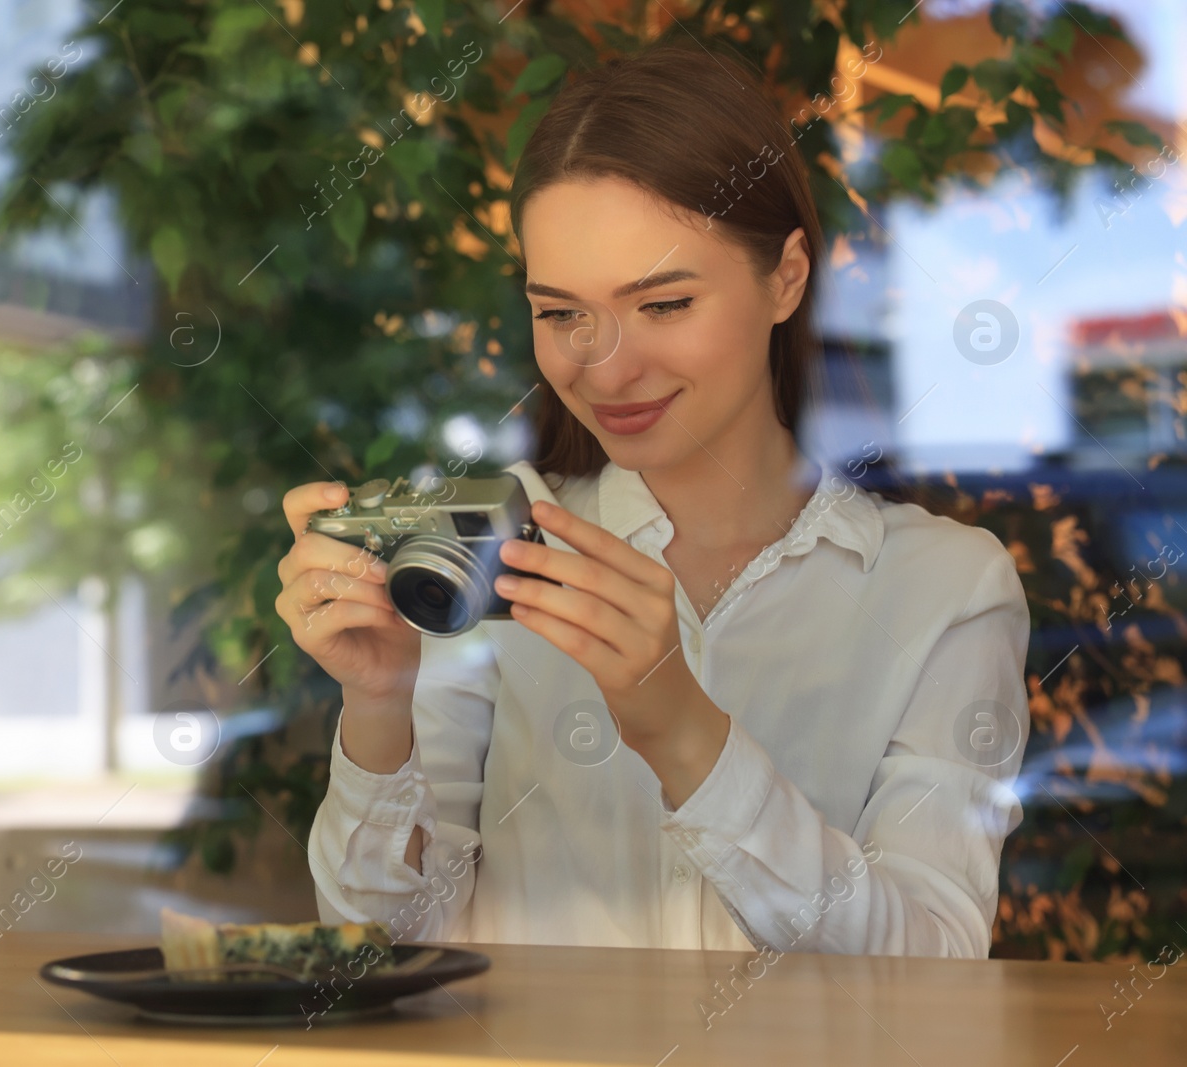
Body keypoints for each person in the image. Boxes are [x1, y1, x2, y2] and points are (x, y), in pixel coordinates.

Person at [274, 36, 1029, 957]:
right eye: (562, 313)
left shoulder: (944, 589)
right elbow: (377, 947)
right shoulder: (488, 546)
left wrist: (687, 737)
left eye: (665, 305)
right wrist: (381, 705)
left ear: (785, 277)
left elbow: (932, 967)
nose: (607, 365)